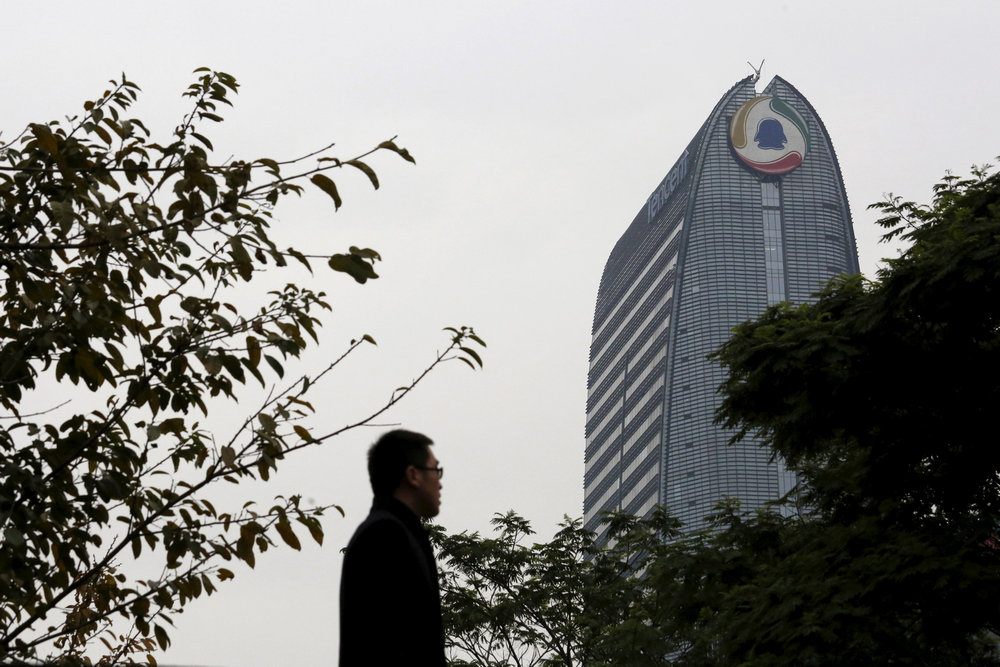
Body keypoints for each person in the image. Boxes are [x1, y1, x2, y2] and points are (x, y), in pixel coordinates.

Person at [339, 429, 447, 666]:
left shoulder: (397, 532)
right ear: (413, 475)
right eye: (435, 470)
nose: (440, 483)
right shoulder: (384, 535)